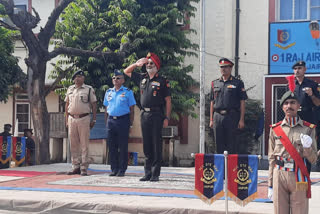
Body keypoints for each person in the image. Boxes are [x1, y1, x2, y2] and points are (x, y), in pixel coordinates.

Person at [268, 90, 318, 214]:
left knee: (300, 211)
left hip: (299, 174)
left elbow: (313, 159)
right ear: (282, 107)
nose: (289, 106)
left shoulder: (308, 129)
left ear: (298, 105)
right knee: (280, 211)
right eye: (286, 103)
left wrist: (307, 148)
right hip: (279, 174)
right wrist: (270, 184)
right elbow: (271, 158)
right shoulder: (275, 129)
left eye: (293, 102)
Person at [124, 52, 171, 182]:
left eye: (151, 63)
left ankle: (155, 173)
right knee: (147, 145)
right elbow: (126, 71)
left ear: (157, 66)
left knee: (156, 144)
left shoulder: (162, 80)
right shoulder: (142, 78)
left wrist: (167, 118)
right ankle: (147, 172)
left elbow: (168, 100)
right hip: (144, 114)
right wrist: (136, 64)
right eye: (147, 63)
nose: (149, 65)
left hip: (157, 115)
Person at [209, 58, 248, 154]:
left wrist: (241, 119)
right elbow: (212, 102)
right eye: (221, 67)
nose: (223, 69)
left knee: (232, 144)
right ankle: (220, 168)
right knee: (218, 144)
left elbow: (242, 101)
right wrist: (211, 119)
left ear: (231, 68)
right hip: (217, 116)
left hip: (232, 116)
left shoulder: (237, 83)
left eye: (226, 67)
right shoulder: (215, 83)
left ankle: (231, 168)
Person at [103, 69, 136, 177]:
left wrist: (130, 124)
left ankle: (122, 169)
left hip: (123, 120)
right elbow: (106, 108)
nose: (115, 80)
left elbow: (132, 110)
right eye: (113, 78)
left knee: (122, 146)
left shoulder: (128, 92)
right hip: (111, 121)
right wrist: (106, 123)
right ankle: (114, 168)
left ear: (123, 80)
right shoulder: (108, 92)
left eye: (118, 78)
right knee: (111, 146)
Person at [65, 70, 97, 176]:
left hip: (84, 118)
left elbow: (94, 104)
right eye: (76, 77)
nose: (77, 79)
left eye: (80, 77)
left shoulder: (88, 89)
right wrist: (66, 120)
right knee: (73, 144)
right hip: (72, 118)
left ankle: (84, 167)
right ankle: (75, 166)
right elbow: (66, 105)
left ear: (83, 79)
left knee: (84, 144)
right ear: (73, 79)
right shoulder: (70, 89)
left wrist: (94, 119)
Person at [291, 60, 320, 173]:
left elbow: (318, 103)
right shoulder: (291, 84)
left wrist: (312, 95)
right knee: (294, 143)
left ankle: (306, 173)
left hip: (308, 117)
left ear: (304, 70)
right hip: (294, 117)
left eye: (300, 68)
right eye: (295, 69)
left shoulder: (312, 84)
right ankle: (294, 172)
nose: (297, 71)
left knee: (307, 144)